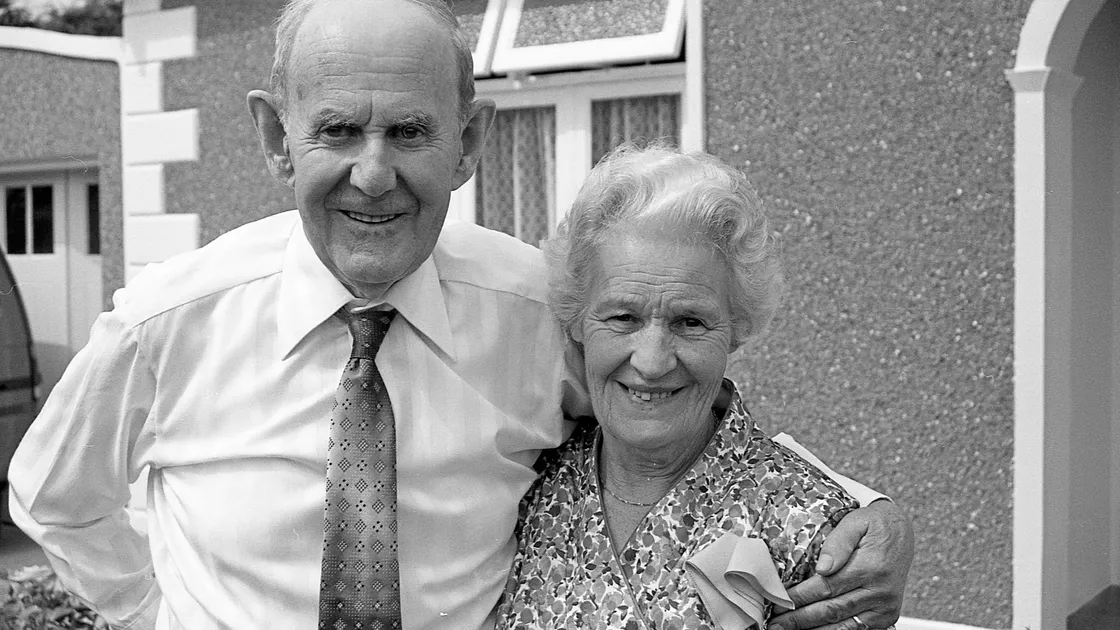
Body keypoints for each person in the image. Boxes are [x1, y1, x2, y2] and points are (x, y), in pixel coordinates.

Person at [8, 1, 912, 629]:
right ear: (274, 139)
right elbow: (52, 493)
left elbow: (674, 406)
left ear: (468, 142)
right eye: (335, 131)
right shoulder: (169, 323)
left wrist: (863, 514)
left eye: (409, 132)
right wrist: (156, 614)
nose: (373, 174)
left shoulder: (533, 309)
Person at [497, 145, 888, 629]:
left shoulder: (816, 527)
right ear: (576, 319)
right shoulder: (531, 480)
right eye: (623, 316)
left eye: (690, 321)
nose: (653, 361)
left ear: (737, 328)